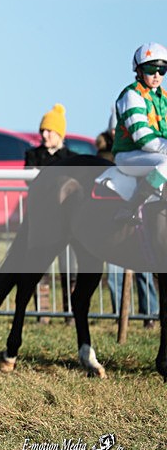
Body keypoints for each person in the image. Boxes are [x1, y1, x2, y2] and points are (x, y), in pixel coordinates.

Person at [97, 109, 158, 328]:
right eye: (114, 128)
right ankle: (118, 313)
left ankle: (149, 313)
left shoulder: (143, 155)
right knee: (114, 271)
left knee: (144, 270)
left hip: (140, 223)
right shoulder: (104, 155)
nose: (116, 132)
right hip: (113, 221)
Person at [24, 104, 77, 321]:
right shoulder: (32, 156)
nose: (44, 135)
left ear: (60, 133)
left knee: (69, 268)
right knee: (40, 268)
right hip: (41, 221)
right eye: (42, 130)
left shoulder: (73, 158)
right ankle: (42, 314)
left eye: (49, 131)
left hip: (67, 222)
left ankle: (71, 313)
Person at [112, 42, 167, 224]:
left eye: (162, 70)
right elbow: (142, 138)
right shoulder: (132, 95)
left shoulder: (164, 97)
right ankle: (130, 208)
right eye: (151, 69)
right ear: (139, 71)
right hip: (129, 155)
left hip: (155, 154)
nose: (157, 75)